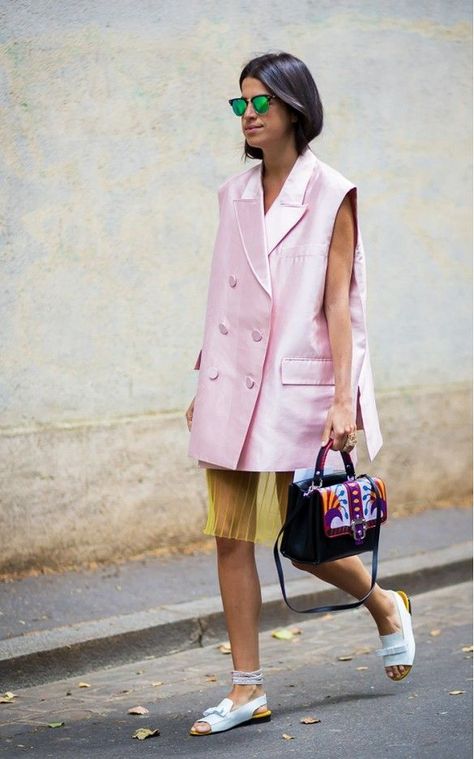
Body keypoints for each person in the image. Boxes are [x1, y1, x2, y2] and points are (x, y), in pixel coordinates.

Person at [185, 51, 415, 736]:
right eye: (241, 103)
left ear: (295, 108)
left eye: (261, 102)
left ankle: (385, 605)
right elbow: (222, 292)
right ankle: (247, 686)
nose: (249, 114)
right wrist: (207, 376)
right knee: (230, 536)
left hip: (297, 386)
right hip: (234, 385)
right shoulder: (233, 194)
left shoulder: (332, 192)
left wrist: (345, 399)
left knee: (304, 540)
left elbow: (340, 307)